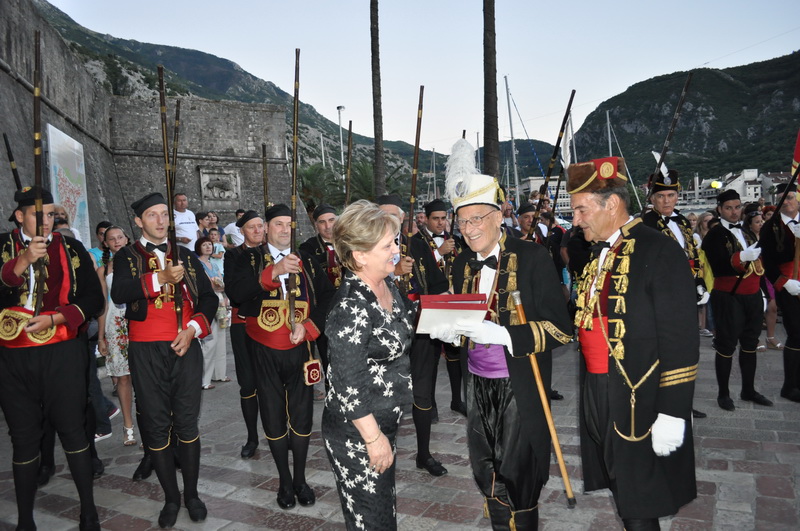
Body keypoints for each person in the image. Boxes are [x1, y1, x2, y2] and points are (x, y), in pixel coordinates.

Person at [430, 139, 573, 529]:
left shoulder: (532, 258)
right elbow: (462, 318)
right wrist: (450, 329)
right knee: (485, 463)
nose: (469, 229)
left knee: (519, 467)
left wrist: (506, 334)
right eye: (462, 221)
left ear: (498, 216)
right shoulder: (461, 262)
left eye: (477, 219)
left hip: (520, 382)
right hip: (477, 382)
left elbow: (562, 330)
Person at [568, 157, 698, 529]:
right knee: (621, 481)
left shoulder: (658, 249)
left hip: (638, 393)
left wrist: (673, 412)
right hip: (598, 387)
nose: (575, 220)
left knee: (640, 497)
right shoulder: (599, 251)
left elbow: (680, 338)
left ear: (612, 204)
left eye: (581, 209)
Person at [111, 192, 218, 527]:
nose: (160, 221)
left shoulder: (185, 254)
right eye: (152, 215)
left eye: (163, 214)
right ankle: (171, 498)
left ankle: (192, 494)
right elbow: (119, 293)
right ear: (139, 222)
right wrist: (160, 278)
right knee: (156, 425)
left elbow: (209, 299)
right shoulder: (126, 256)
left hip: (184, 345)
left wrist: (192, 329)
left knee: (187, 422)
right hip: (146, 351)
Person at [0, 186, 103, 530]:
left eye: (50, 215)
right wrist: (22, 261)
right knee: (23, 437)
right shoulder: (2, 246)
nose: (46, 221)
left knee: (73, 430)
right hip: (13, 359)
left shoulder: (70, 248)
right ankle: (25, 520)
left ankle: (88, 511)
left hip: (62, 352)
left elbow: (93, 299)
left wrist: (57, 318)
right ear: (19, 216)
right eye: (37, 215)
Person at [225, 203, 335, 510]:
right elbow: (237, 293)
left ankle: (300, 479)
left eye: (289, 224)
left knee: (302, 416)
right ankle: (284, 482)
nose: (285, 229)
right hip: (262, 349)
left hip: (300, 348)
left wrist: (311, 326)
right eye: (278, 224)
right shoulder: (246, 258)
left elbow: (328, 296)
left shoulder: (307, 259)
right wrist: (273, 272)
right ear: (266, 228)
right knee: (272, 416)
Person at [322, 200, 415, 530]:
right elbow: (347, 383)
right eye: (387, 245)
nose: (396, 251)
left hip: (383, 422)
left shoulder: (386, 285)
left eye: (395, 242)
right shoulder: (351, 306)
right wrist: (374, 439)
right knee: (371, 520)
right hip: (358, 432)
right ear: (360, 255)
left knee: (382, 512)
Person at [377, 194, 450, 477]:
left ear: (402, 218)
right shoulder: (366, 247)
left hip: (420, 330)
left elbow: (437, 282)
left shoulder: (417, 245)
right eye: (381, 214)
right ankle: (381, 452)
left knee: (422, 392)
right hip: (384, 334)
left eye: (392, 215)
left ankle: (424, 454)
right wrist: (393, 274)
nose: (387, 220)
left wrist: (449, 306)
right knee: (384, 396)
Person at [641, 170, 708, 419]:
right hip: (663, 296)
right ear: (652, 198)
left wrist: (699, 283)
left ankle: (682, 401)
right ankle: (660, 403)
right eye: (661, 196)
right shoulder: (645, 224)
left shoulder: (682, 222)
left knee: (686, 349)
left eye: (671, 195)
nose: (666, 201)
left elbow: (692, 255)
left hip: (686, 293)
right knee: (664, 350)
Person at [702, 189, 773, 411]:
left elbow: (760, 264)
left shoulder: (747, 231)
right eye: (728, 208)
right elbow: (717, 265)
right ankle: (723, 394)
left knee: (750, 343)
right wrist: (740, 257)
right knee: (726, 345)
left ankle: (748, 390)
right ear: (719, 209)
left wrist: (763, 293)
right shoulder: (714, 235)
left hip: (752, 295)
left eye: (737, 207)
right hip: (728, 296)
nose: (734, 212)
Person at [415, 199, 466, 415]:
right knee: (432, 356)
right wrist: (439, 252)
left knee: (455, 352)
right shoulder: (416, 242)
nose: (440, 223)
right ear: (426, 219)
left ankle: (457, 400)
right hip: (430, 303)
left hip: (453, 302)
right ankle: (430, 404)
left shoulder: (455, 240)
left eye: (443, 218)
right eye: (435, 218)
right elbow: (416, 269)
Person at [223, 211, 264, 459]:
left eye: (260, 226)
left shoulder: (272, 253)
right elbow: (234, 291)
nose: (257, 231)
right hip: (242, 323)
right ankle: (251, 437)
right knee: (248, 383)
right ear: (242, 231)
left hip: (270, 322)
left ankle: (279, 431)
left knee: (272, 381)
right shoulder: (233, 255)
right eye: (251, 227)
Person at [96, 225, 137, 446]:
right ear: (105, 244)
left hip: (138, 322)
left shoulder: (138, 263)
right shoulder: (103, 270)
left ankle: (150, 425)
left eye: (120, 237)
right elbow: (102, 305)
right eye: (111, 239)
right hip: (116, 326)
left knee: (145, 376)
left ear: (127, 239)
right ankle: (128, 426)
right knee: (122, 377)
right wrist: (101, 337)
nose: (117, 241)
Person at [760, 182, 800, 402]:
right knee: (795, 333)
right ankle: (790, 386)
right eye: (782, 199)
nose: (786, 202)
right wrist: (784, 282)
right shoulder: (771, 226)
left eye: (790, 197)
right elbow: (767, 262)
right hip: (788, 284)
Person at [299, 203, 342, 382]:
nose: (328, 226)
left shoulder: (350, 242)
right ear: (315, 225)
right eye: (322, 222)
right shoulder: (307, 248)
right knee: (329, 360)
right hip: (325, 311)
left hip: (350, 308)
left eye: (331, 220)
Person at [742, 205, 781, 352]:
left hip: (767, 274)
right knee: (757, 308)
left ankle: (770, 337)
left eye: (762, 221)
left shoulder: (767, 236)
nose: (761, 224)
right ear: (750, 224)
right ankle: (754, 337)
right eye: (757, 222)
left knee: (773, 306)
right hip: (753, 275)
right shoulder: (744, 237)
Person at [196, 236, 229, 389]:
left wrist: (221, 290)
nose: (208, 247)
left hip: (220, 300)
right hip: (207, 301)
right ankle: (204, 380)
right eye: (204, 245)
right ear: (199, 247)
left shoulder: (214, 264)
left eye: (210, 244)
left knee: (221, 337)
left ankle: (220, 374)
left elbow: (221, 284)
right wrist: (215, 285)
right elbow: (205, 285)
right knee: (210, 340)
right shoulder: (197, 264)